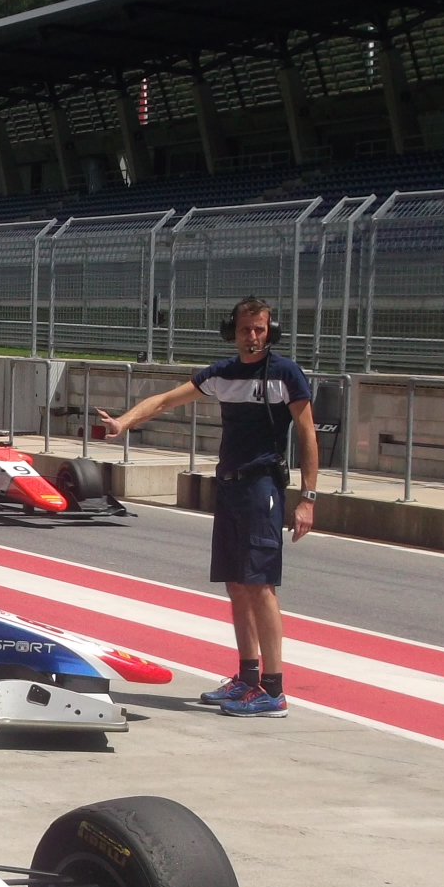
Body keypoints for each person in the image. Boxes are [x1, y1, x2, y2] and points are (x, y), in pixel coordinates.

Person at [97, 296, 318, 719]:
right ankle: (247, 678)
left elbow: (308, 434)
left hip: (262, 486)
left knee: (260, 585)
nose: (252, 336)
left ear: (271, 332)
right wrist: (124, 422)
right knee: (236, 584)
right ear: (231, 332)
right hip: (230, 486)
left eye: (260, 329)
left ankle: (273, 690)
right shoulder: (223, 373)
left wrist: (308, 498)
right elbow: (165, 400)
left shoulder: (286, 374)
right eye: (245, 329)